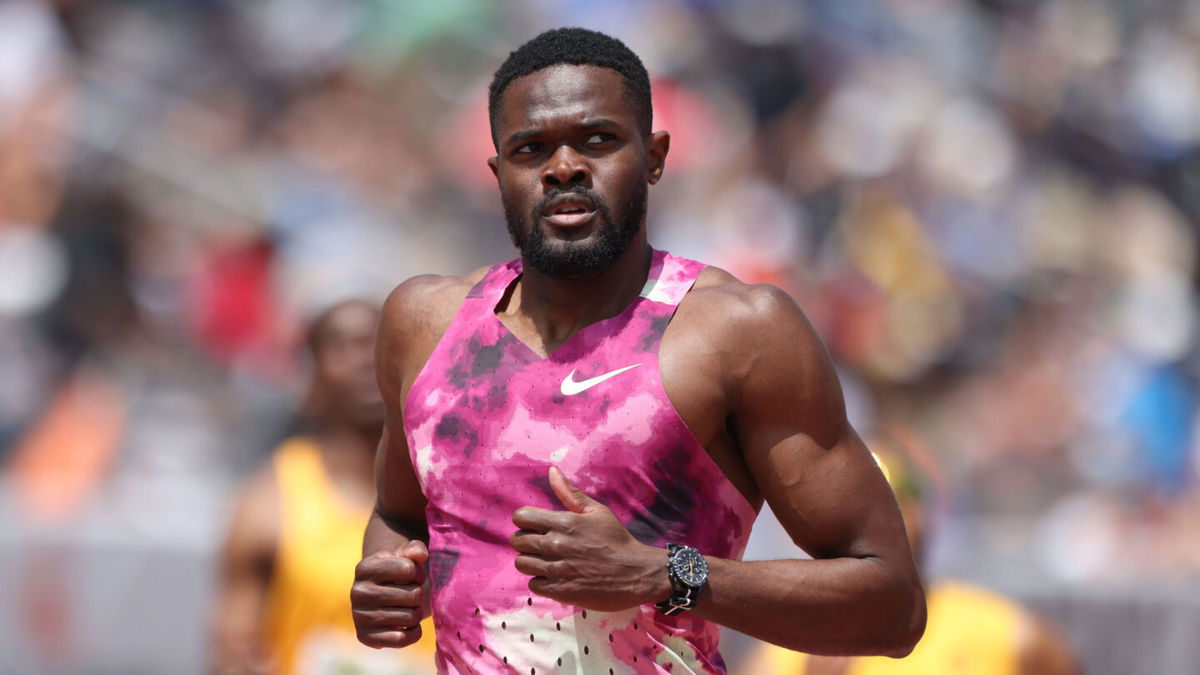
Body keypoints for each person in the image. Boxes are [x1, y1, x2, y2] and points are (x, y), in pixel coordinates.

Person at [351, 27, 925, 674]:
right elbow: (398, 514)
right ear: (498, 173)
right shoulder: (423, 324)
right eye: (530, 148)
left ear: (654, 157)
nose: (563, 167)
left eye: (597, 140)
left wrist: (661, 573)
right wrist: (390, 581)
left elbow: (894, 606)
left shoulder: (736, 333)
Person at [213, 299, 436, 675]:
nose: (365, 359)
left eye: (377, 343)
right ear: (312, 379)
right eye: (342, 345)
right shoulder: (269, 501)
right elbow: (232, 652)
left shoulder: (449, 484)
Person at [738, 430, 1080, 675]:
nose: (863, 529)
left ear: (920, 514)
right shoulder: (784, 656)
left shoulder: (1011, 637)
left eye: (886, 502)